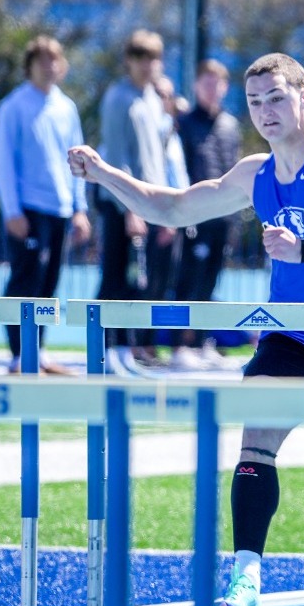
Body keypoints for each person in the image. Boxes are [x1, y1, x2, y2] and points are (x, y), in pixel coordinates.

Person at [68, 51, 304, 606]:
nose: (265, 112)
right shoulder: (255, 174)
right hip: (291, 337)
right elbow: (172, 206)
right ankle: (246, 576)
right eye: (255, 103)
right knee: (255, 439)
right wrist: (103, 173)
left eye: (275, 98)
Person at [0, 36, 91, 373]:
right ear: (29, 66)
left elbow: (77, 160)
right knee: (25, 281)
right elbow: (3, 162)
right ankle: (20, 355)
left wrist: (80, 209)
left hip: (60, 209)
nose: (49, 66)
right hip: (28, 209)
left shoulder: (67, 107)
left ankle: (38, 351)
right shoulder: (13, 106)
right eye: (42, 60)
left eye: (55, 59)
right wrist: (12, 210)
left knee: (49, 285)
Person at [95, 30, 178, 373]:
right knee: (117, 277)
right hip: (122, 205)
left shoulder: (153, 98)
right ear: (129, 61)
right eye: (141, 58)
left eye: (154, 59)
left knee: (145, 280)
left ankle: (132, 347)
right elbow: (117, 158)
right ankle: (106, 348)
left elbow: (161, 151)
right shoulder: (119, 99)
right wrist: (131, 209)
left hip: (150, 201)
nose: (148, 66)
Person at [169, 60, 243, 369]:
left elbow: (236, 172)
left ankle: (201, 343)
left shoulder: (230, 125)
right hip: (194, 216)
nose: (213, 89)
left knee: (210, 282)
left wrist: (237, 218)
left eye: (218, 83)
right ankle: (178, 346)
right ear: (197, 85)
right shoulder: (184, 123)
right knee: (188, 281)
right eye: (207, 83)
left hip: (223, 218)